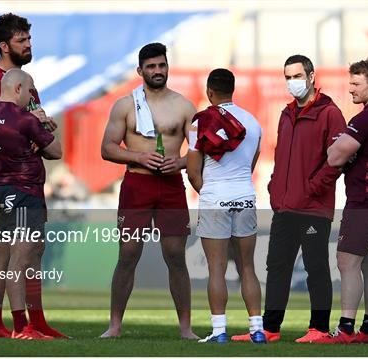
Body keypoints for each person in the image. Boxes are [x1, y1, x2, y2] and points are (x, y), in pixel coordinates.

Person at [233, 55, 346, 343]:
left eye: (297, 76)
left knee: (316, 267)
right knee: (277, 266)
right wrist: (274, 189)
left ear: (311, 76)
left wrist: (311, 189)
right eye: (288, 77)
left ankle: (319, 329)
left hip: (312, 208)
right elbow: (282, 156)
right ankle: (270, 329)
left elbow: (337, 161)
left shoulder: (329, 113)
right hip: (284, 207)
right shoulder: (285, 114)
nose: (292, 82)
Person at [0, 13, 64, 339]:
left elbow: (27, 124)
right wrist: (29, 129)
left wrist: (38, 124)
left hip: (24, 175)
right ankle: (16, 324)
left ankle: (16, 322)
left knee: (27, 248)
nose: (28, 45)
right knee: (16, 250)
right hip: (6, 177)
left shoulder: (22, 81)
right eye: (21, 40)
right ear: (4, 45)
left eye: (29, 39)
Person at [100, 42, 198, 339]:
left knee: (176, 255)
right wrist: (138, 156)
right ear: (140, 70)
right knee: (128, 254)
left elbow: (197, 151)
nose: (158, 71)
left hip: (170, 186)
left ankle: (186, 328)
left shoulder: (183, 105)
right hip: (137, 184)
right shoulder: (126, 105)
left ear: (168, 67)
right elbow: (107, 148)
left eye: (162, 65)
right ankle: (114, 325)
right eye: (152, 66)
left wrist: (180, 162)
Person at [313, 56, 368, 344]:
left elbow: (334, 156)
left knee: (347, 261)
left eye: (356, 84)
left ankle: (346, 330)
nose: (350, 89)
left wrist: (338, 145)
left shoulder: (367, 117)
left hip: (366, 200)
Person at [187, 69, 264, 344]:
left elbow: (193, 171)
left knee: (217, 269)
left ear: (209, 92)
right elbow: (250, 167)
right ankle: (257, 329)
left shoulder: (200, 124)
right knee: (248, 268)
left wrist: (209, 195)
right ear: (233, 90)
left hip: (214, 200)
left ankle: (219, 331)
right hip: (245, 197)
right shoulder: (254, 123)